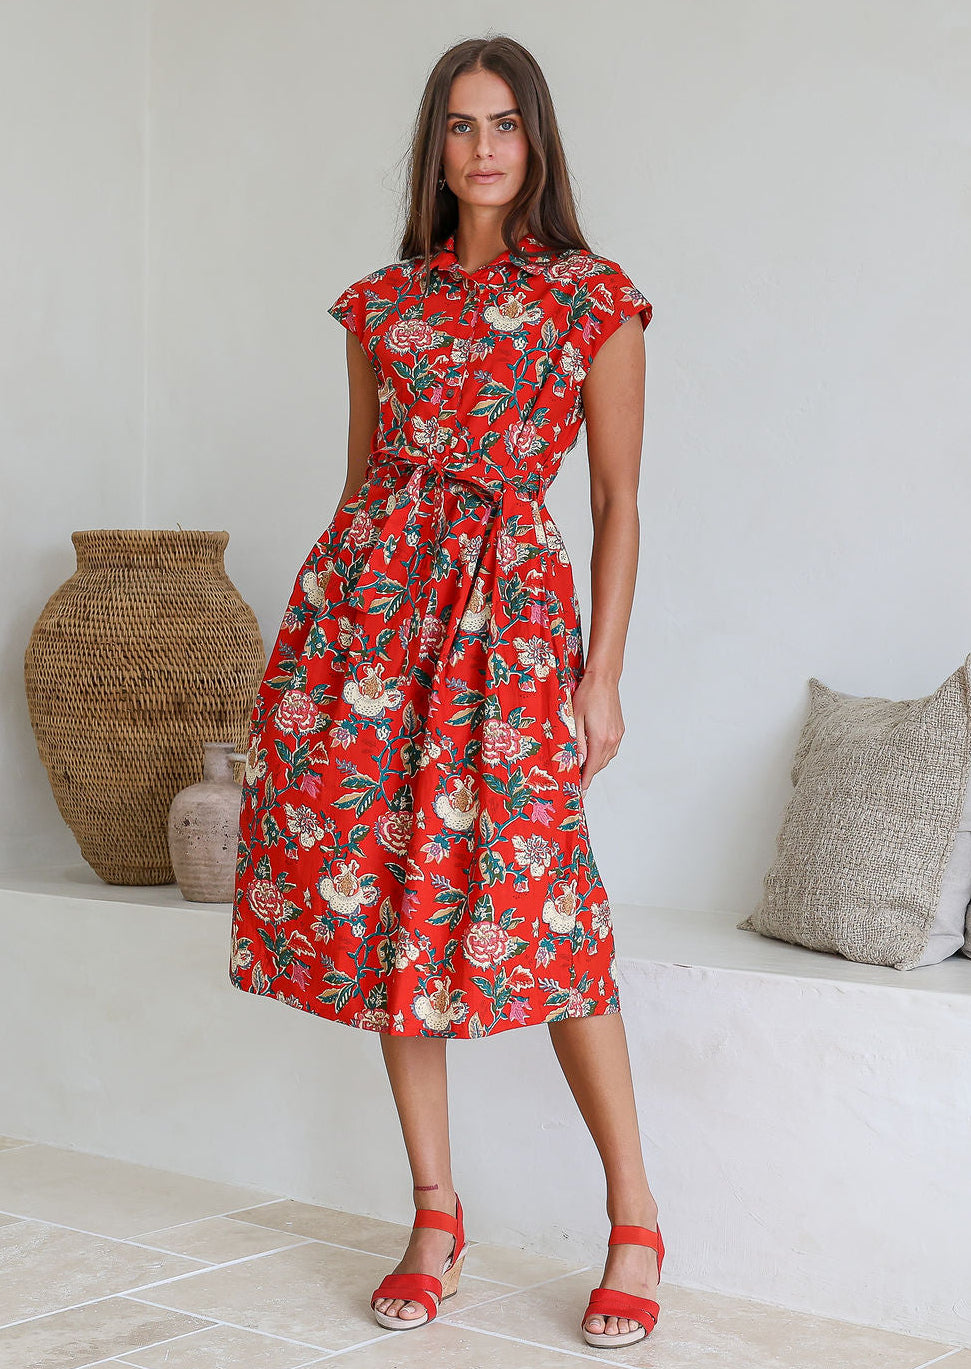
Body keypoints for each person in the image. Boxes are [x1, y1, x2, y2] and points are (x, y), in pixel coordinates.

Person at [229, 33, 663, 1351]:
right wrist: (318, 669)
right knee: (390, 923)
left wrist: (601, 677)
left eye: (506, 124)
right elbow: (364, 490)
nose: (484, 148)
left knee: (553, 912)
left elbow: (616, 502)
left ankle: (634, 1215)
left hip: (512, 625)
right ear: (436, 150)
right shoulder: (380, 304)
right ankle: (433, 1215)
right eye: (461, 127)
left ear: (538, 143)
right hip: (367, 635)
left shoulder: (591, 299)